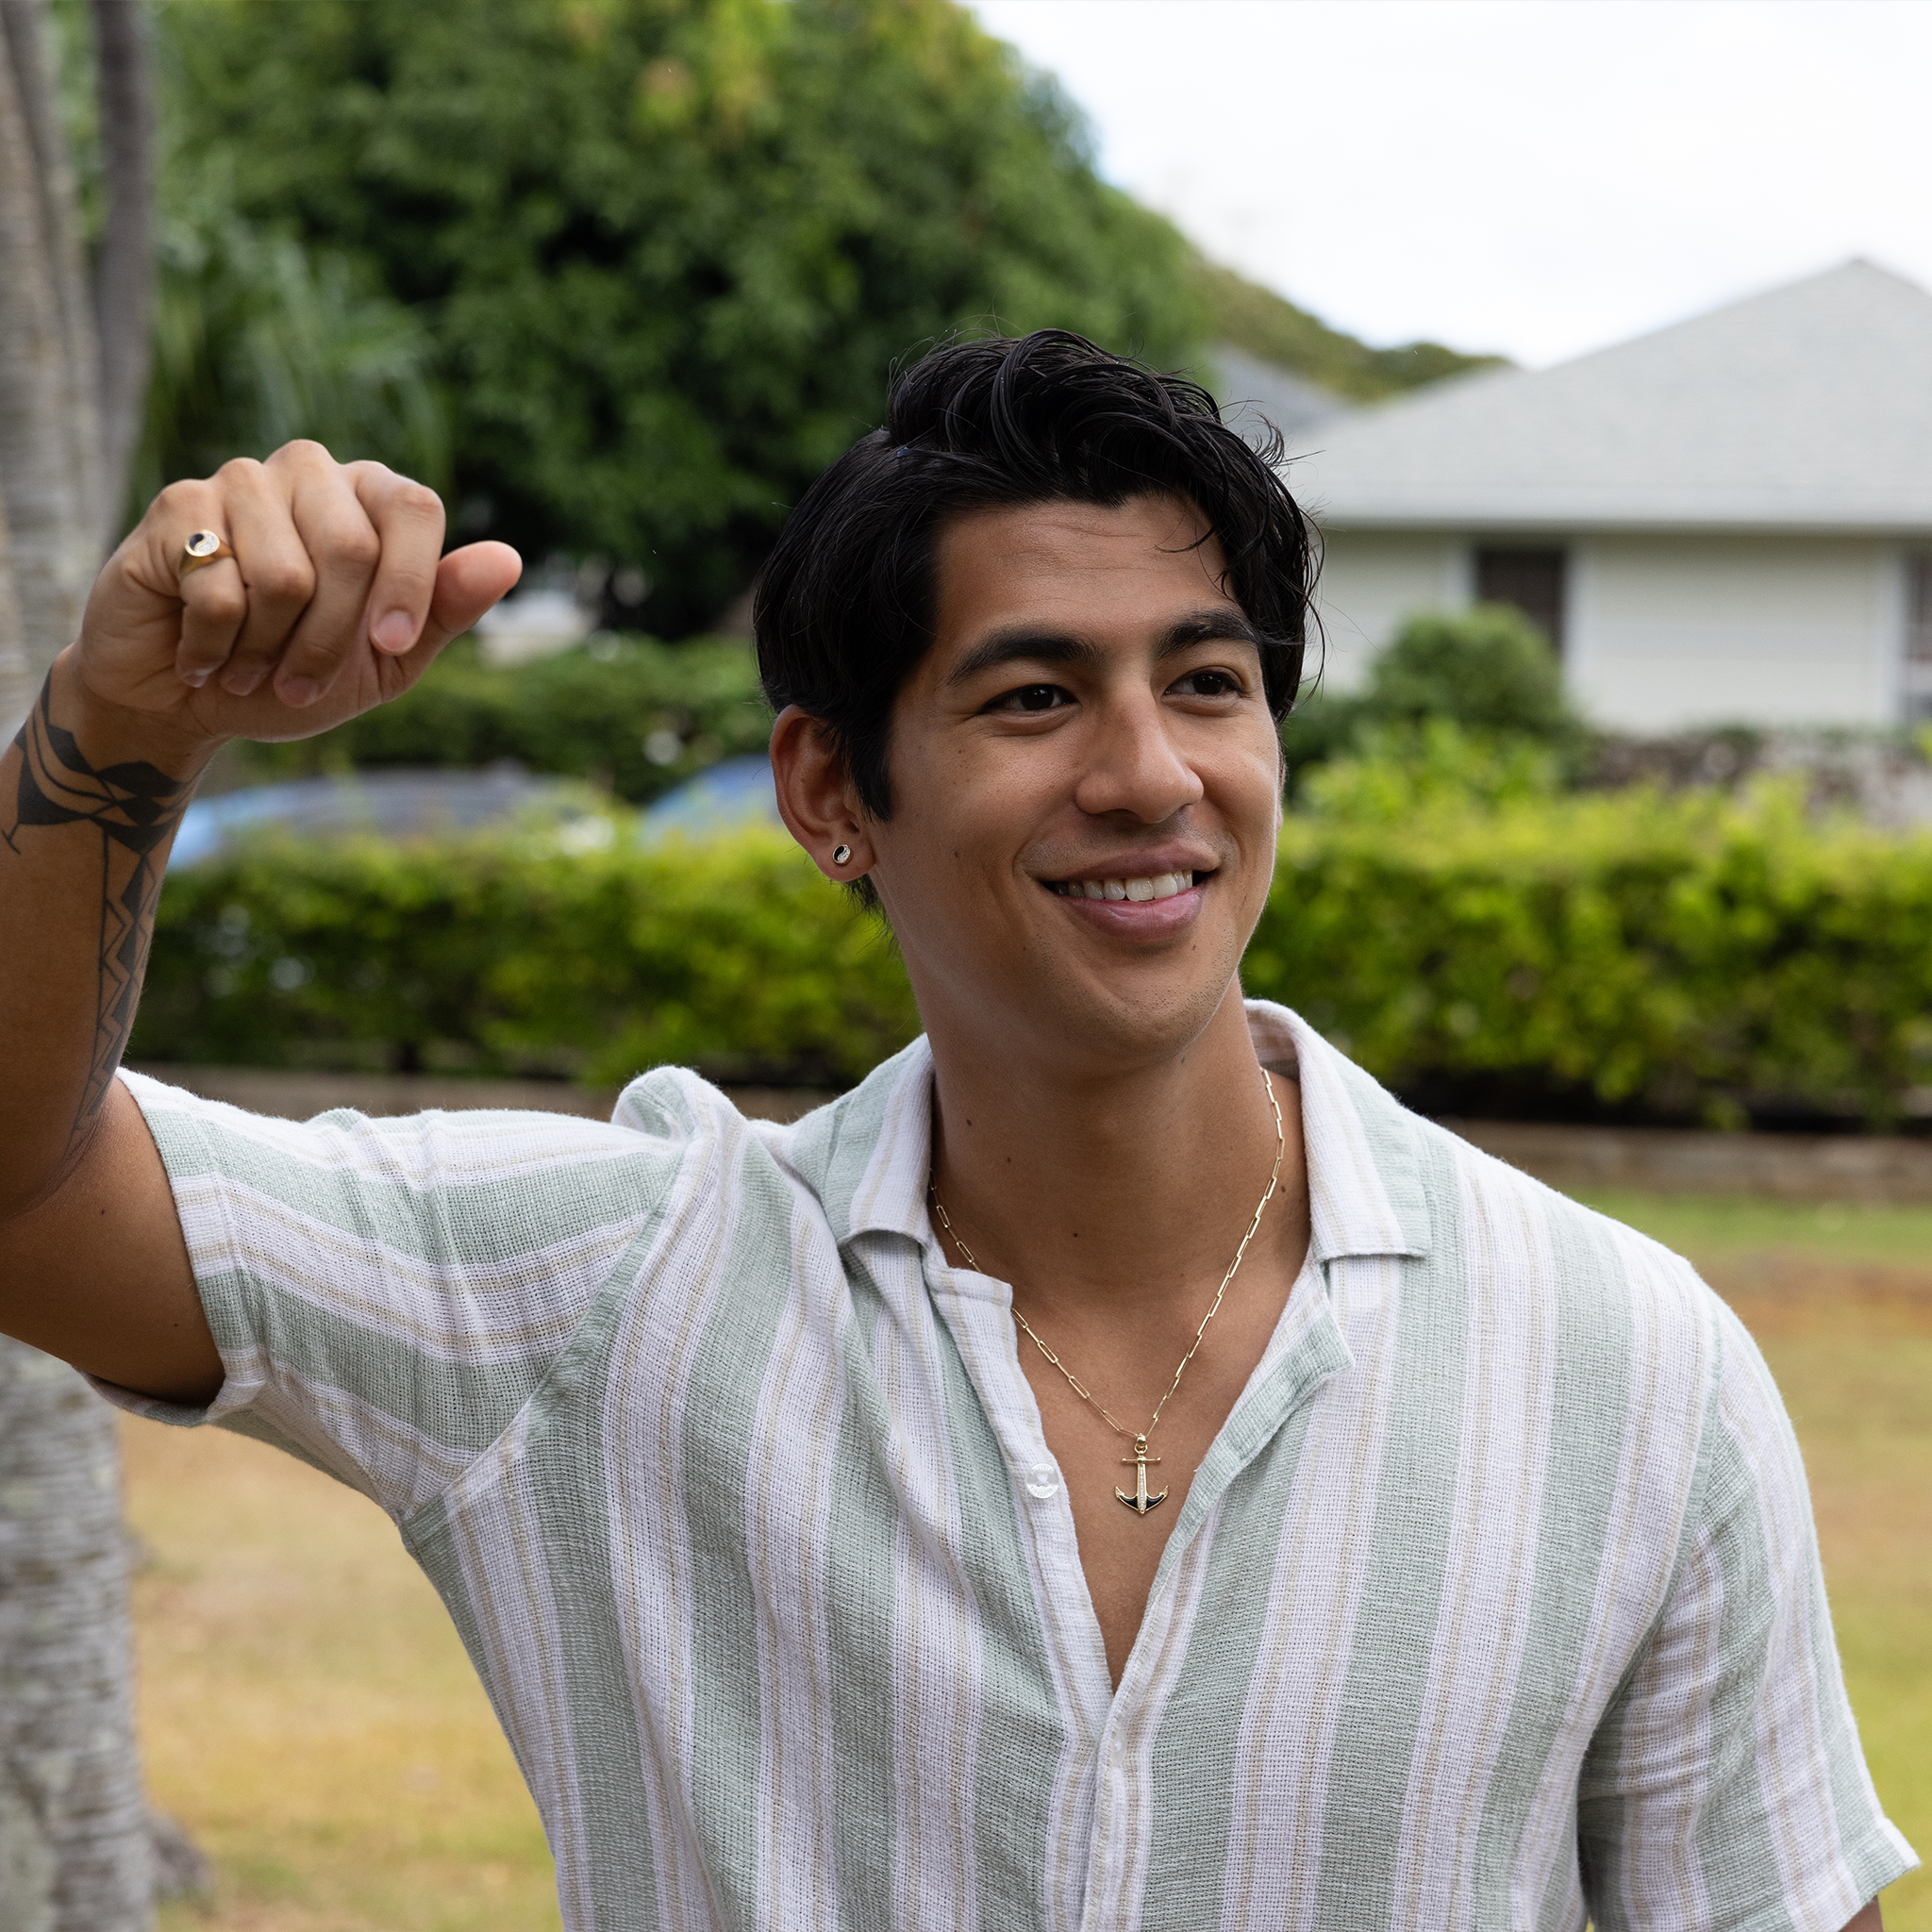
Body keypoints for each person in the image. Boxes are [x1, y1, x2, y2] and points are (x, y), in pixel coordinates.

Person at [0, 331, 1913, 1931]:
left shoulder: (1625, 1364)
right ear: (834, 787)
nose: (1150, 772)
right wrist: (122, 727)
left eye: (1208, 681)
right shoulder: (596, 1305)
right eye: (1032, 693)